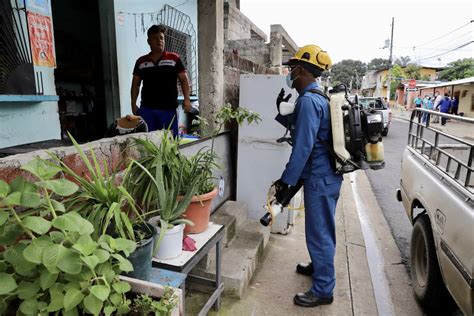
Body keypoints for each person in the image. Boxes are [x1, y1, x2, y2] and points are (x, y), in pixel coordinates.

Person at [274, 45, 343, 308]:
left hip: (320, 178)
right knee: (322, 229)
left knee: (320, 232)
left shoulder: (308, 101)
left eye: (292, 67)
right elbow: (313, 139)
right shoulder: (319, 97)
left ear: (301, 69)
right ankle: (319, 266)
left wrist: (286, 180)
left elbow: (303, 147)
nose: (289, 72)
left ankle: (324, 290)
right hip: (324, 175)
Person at [130, 24, 191, 136]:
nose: (160, 41)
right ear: (149, 41)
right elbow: (135, 84)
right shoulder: (141, 62)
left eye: (162, 38)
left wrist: (187, 99)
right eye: (155, 38)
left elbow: (184, 79)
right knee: (148, 142)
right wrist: (133, 103)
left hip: (168, 110)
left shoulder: (174, 59)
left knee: (170, 143)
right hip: (147, 110)